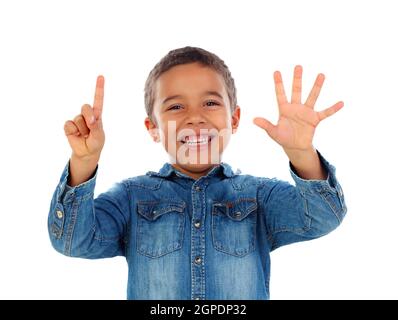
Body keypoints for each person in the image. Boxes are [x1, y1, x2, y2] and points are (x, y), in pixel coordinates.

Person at [48, 46, 346, 300]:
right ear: (153, 128)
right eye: (176, 106)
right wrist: (84, 161)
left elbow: (323, 217)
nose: (195, 117)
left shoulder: (259, 196)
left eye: (210, 103)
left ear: (234, 118)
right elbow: (73, 241)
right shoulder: (131, 197)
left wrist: (300, 153)